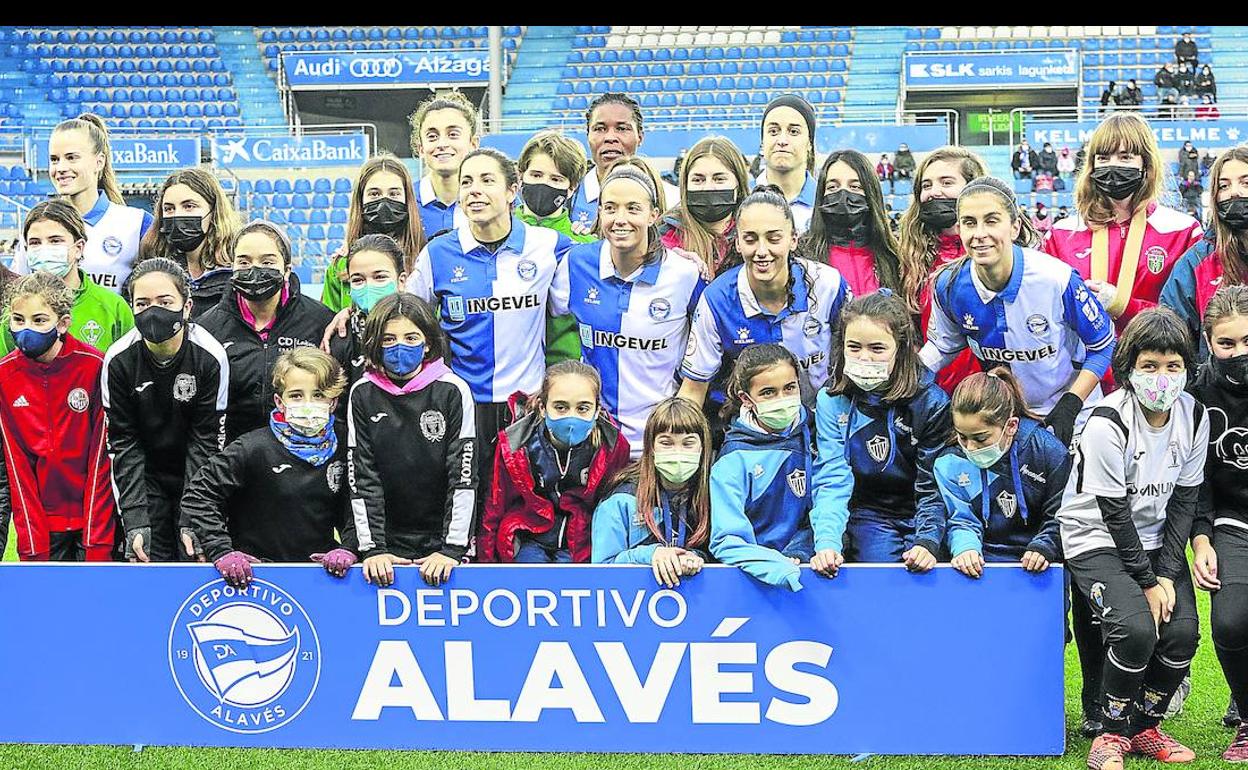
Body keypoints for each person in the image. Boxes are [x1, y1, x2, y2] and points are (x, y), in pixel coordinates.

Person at [1058, 307, 1207, 770]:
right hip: (1095, 536)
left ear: (1187, 368)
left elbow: (1185, 499)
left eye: (1173, 366)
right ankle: (1110, 731)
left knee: (1182, 634)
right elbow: (1114, 512)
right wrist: (1149, 583)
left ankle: (1144, 728)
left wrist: (1166, 573)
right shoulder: (1106, 421)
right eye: (1149, 366)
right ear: (1128, 369)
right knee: (1137, 628)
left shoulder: (1194, 415)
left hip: (1155, 539)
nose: (1162, 378)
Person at [407, 147, 573, 539]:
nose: (474, 191)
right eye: (467, 182)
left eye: (487, 180)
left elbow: (602, 271)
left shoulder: (548, 246)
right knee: (467, 508)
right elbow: (406, 314)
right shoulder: (438, 253)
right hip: (463, 407)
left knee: (528, 515)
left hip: (527, 407)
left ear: (513, 189)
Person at [922, 176, 1116, 447]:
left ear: (1014, 227)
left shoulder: (1056, 279)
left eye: (991, 221)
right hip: (1005, 420)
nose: (979, 234)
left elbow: (1103, 346)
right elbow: (942, 347)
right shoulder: (948, 284)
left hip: (1071, 414)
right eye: (969, 223)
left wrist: (1070, 405)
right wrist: (910, 376)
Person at [551, 158, 704, 453]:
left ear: (653, 215)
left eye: (633, 208)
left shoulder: (685, 274)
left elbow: (706, 351)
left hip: (660, 442)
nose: (620, 219)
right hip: (594, 441)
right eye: (610, 208)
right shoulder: (576, 264)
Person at [678, 186, 849, 436]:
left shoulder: (828, 285)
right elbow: (693, 390)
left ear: (793, 239)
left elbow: (853, 356)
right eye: (750, 239)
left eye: (773, 238)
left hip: (823, 427)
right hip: (748, 433)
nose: (761, 251)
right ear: (737, 242)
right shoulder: (717, 300)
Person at [182, 347, 350, 587]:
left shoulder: (346, 444)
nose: (308, 404)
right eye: (296, 396)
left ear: (333, 402)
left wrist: (350, 547)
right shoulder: (252, 448)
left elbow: (361, 500)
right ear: (279, 402)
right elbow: (198, 495)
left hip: (321, 579)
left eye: (319, 395)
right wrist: (222, 551)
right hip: (255, 580)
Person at [341, 292, 476, 588]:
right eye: (388, 339)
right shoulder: (362, 393)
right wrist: (373, 549)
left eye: (411, 338)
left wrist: (452, 549)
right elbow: (361, 475)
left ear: (428, 343)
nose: (399, 346)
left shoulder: (453, 390)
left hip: (444, 545)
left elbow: (463, 474)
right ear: (374, 343)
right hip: (388, 545)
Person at [808, 292, 952, 568]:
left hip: (923, 508)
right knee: (880, 574)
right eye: (854, 347)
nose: (864, 358)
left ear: (901, 348)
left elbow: (933, 484)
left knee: (924, 576)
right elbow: (832, 476)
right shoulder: (830, 399)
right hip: (870, 512)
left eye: (877, 348)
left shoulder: (931, 402)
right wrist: (827, 543)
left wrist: (927, 542)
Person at [102, 258, 228, 563]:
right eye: (142, 303)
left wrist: (194, 515)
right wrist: (135, 519)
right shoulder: (118, 360)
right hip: (144, 472)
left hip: (194, 467)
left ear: (186, 307)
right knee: (146, 557)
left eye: (165, 301)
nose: (153, 311)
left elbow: (207, 440)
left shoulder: (211, 357)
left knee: (193, 553)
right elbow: (123, 443)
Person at [1044, 113, 1203, 337]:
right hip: (1082, 370)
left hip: (1154, 364)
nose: (1112, 166)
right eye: (1103, 157)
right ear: (1091, 166)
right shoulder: (1062, 234)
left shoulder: (1182, 231)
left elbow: (1189, 318)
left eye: (1125, 157)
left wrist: (1122, 305)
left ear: (1146, 165)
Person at [0, 272, 117, 560]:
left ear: (63, 323)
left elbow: (102, 459)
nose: (26, 329)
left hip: (94, 524)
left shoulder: (94, 367)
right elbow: (16, 467)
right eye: (18, 320)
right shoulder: (4, 376)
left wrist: (96, 543)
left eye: (39, 320)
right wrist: (32, 545)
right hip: (41, 529)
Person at [914, 369, 1068, 577]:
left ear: (1011, 426)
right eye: (962, 436)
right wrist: (965, 548)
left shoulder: (1048, 451)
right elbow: (961, 518)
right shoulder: (950, 462)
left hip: (1040, 562)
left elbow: (1061, 514)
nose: (970, 447)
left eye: (981, 438)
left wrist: (1044, 547)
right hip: (978, 563)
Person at [480, 360, 631, 563]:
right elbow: (495, 506)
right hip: (528, 536)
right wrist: (485, 569)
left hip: (583, 540)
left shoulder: (613, 445)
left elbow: (616, 508)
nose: (571, 417)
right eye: (560, 407)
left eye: (583, 408)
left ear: (597, 411)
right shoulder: (515, 444)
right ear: (543, 407)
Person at [197, 221, 335, 444]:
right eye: (244, 261)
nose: (254, 269)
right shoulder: (207, 328)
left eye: (267, 261)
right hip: (232, 457)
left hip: (302, 455)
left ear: (287, 269)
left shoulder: (320, 321)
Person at [1190, 285, 1248, 747]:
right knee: (1229, 622)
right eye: (1227, 343)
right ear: (1209, 341)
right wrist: (1202, 539)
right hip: (1231, 519)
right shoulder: (1194, 392)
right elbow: (1195, 480)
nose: (1238, 352)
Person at [709, 343, 816, 590]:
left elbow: (825, 501)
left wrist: (803, 552)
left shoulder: (816, 430)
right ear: (746, 399)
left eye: (789, 388)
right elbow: (726, 540)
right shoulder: (732, 458)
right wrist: (773, 563)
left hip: (811, 565)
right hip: (754, 578)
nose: (782, 399)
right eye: (768, 392)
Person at [10, 114, 153, 293]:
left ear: (99, 161)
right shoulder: (36, 225)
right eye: (55, 159)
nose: (60, 168)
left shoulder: (137, 223)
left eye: (71, 158)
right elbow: (16, 294)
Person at [898, 146, 990, 393]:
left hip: (990, 392)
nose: (933, 192)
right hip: (933, 390)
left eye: (946, 182)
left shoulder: (996, 251)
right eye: (926, 186)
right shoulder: (910, 255)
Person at [593, 397, 711, 587]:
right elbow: (602, 569)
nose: (677, 452)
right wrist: (651, 554)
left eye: (688, 443)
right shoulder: (621, 499)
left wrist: (693, 558)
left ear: (703, 448)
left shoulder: (711, 494)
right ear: (651, 447)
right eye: (666, 443)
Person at [0, 200, 133, 357]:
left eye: (55, 240)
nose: (44, 249)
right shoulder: (15, 312)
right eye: (35, 242)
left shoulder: (113, 307)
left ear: (79, 247)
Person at [515, 130, 596, 366]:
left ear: (572, 188)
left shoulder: (586, 246)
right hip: (509, 371)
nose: (544, 184)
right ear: (521, 178)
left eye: (556, 179)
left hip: (565, 371)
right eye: (536, 174)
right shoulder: (498, 237)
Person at [1163, 145, 1248, 360]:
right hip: (1213, 391)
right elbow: (1171, 337)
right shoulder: (1196, 262)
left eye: (1246, 183)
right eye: (1224, 186)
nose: (1235, 192)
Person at [320, 153, 427, 313]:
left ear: (407, 200)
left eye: (394, 194)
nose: (384, 202)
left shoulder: (425, 261)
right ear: (360, 201)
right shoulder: (340, 266)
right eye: (374, 194)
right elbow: (327, 323)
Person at [568, 92, 680, 235]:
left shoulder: (673, 199)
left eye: (621, 129)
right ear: (588, 135)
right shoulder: (569, 196)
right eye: (600, 129)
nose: (610, 138)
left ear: (640, 137)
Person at [136, 168, 240, 320]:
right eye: (169, 209)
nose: (178, 215)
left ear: (213, 211)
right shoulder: (149, 266)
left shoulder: (237, 268)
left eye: (189, 206)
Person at [799, 149, 903, 297]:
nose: (843, 194)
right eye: (832, 187)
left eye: (855, 187)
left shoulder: (894, 257)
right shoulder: (803, 255)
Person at [660, 136, 750, 279]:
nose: (708, 187)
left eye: (719, 179)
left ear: (738, 185)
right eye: (698, 180)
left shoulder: (755, 235)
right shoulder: (662, 239)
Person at [327, 234, 408, 391]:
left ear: (401, 281)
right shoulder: (342, 339)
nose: (369, 286)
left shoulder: (423, 331)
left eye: (379, 277)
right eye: (358, 280)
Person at [408, 92, 479, 237]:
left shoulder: (494, 200)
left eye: (453, 134)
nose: (442, 144)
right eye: (432, 136)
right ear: (420, 148)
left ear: (473, 144)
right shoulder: (405, 201)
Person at [754, 94, 820, 234]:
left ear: (809, 143)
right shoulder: (743, 196)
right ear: (762, 141)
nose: (782, 140)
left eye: (794, 132)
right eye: (773, 131)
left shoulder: (824, 201)